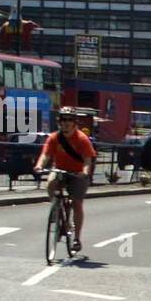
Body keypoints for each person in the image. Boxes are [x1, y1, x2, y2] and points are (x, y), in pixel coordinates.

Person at [33, 107, 97, 252]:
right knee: (50, 183)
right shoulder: (54, 138)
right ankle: (56, 211)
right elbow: (45, 155)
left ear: (74, 123)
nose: (66, 123)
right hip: (60, 169)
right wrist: (39, 166)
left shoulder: (82, 139)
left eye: (69, 120)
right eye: (63, 120)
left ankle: (77, 239)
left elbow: (88, 159)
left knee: (77, 202)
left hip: (77, 173)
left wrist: (85, 172)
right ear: (59, 122)